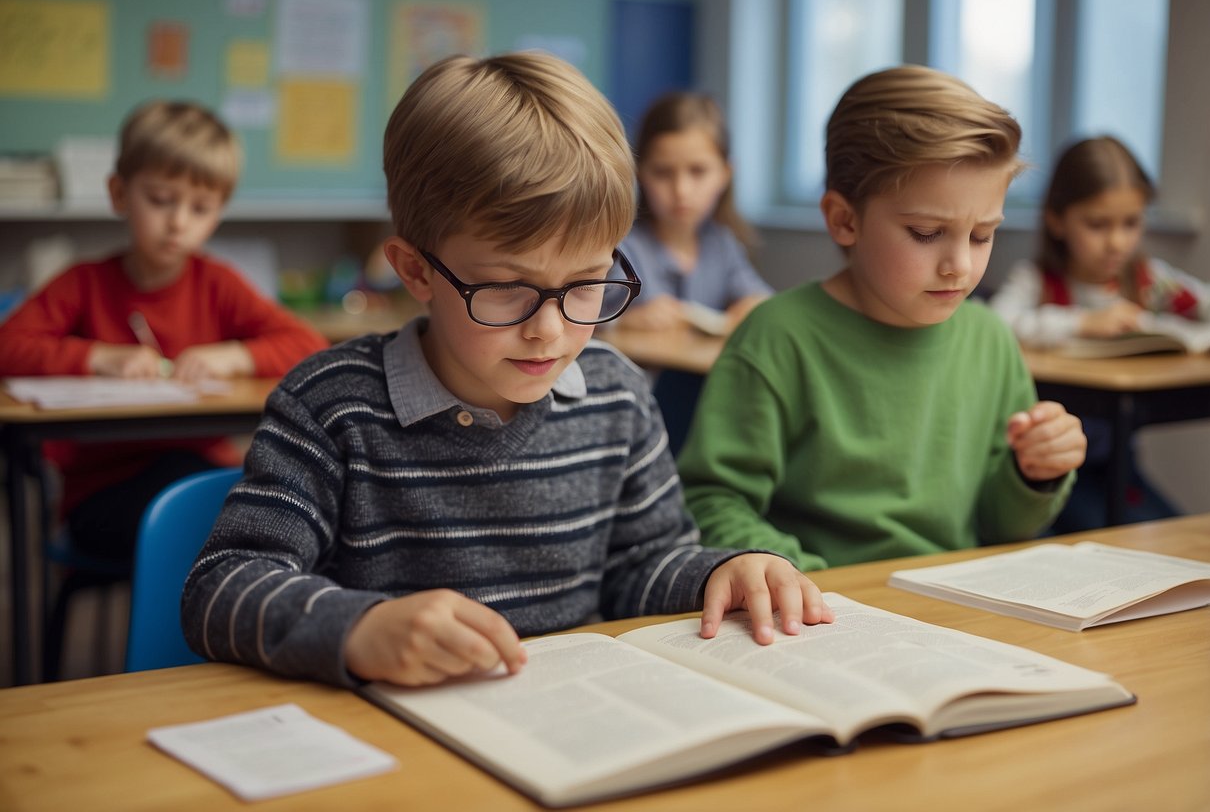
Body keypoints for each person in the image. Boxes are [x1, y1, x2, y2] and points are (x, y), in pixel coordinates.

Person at [180, 52, 833, 690]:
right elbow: (223, 586)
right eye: (505, 288)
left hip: (566, 722)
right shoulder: (331, 406)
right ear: (416, 272)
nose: (549, 330)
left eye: (585, 284)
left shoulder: (616, 395)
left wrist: (723, 569)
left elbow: (641, 564)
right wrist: (361, 629)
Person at [677, 65, 1087, 572]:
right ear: (844, 220)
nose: (960, 264)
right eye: (925, 232)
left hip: (953, 615)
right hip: (821, 615)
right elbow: (712, 502)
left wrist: (1034, 473)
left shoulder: (990, 340)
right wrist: (797, 576)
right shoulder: (777, 338)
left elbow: (1000, 525)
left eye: (982, 235)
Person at [0, 100, 328, 561]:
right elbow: (8, 345)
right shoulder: (83, 283)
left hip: (197, 474)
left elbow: (308, 345)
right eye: (160, 200)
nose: (178, 222)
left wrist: (232, 355)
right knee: (214, 521)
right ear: (118, 193)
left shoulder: (217, 282)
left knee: (275, 508)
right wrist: (98, 358)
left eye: (200, 208)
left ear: (219, 212)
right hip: (104, 492)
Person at [989, 135, 1210, 530]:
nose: (1116, 242)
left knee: (1179, 533)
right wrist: (1080, 322)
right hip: (1053, 473)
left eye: (1131, 223)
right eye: (1097, 224)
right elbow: (998, 322)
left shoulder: (1148, 281)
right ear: (1057, 219)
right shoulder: (1039, 281)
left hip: (1120, 471)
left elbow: (1204, 301)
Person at [618, 91, 772, 333]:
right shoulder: (622, 250)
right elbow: (583, 318)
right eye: (663, 172)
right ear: (640, 173)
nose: (681, 191)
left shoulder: (722, 244)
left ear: (725, 174)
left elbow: (762, 299)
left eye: (698, 171)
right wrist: (624, 321)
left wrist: (752, 306)